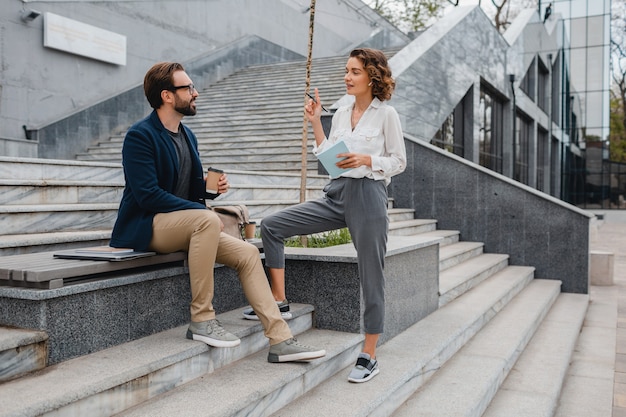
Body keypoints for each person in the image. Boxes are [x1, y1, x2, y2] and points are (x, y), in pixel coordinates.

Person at [110, 62, 325, 363]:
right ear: (167, 96)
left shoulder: (188, 136)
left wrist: (209, 190)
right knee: (206, 219)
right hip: (147, 225)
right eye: (188, 88)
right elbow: (147, 195)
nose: (195, 93)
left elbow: (184, 190)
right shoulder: (140, 136)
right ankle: (202, 318)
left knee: (248, 254)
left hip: (186, 223)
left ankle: (281, 340)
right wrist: (203, 212)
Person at [244, 48, 406, 383]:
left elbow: (399, 161)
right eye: (346, 70)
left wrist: (367, 160)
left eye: (355, 71)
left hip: (368, 198)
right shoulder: (343, 108)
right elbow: (329, 155)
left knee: (372, 275)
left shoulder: (386, 114)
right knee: (273, 226)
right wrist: (316, 120)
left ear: (372, 76)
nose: (347, 77)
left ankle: (369, 354)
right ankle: (280, 299)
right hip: (335, 194)